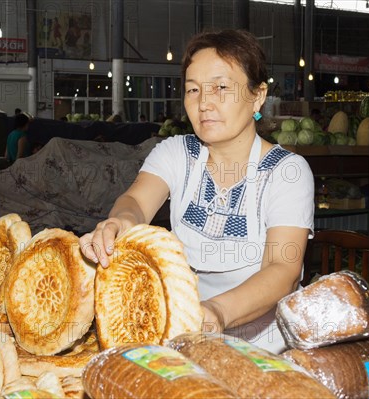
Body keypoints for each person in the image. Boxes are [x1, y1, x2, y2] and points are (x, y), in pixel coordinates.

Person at [79, 29, 314, 354]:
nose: (204, 103)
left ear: (257, 96)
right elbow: (135, 200)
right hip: (186, 340)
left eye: (221, 87)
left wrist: (217, 312)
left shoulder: (286, 172)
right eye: (193, 90)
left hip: (266, 350)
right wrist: (119, 222)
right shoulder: (177, 154)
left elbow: (282, 270)